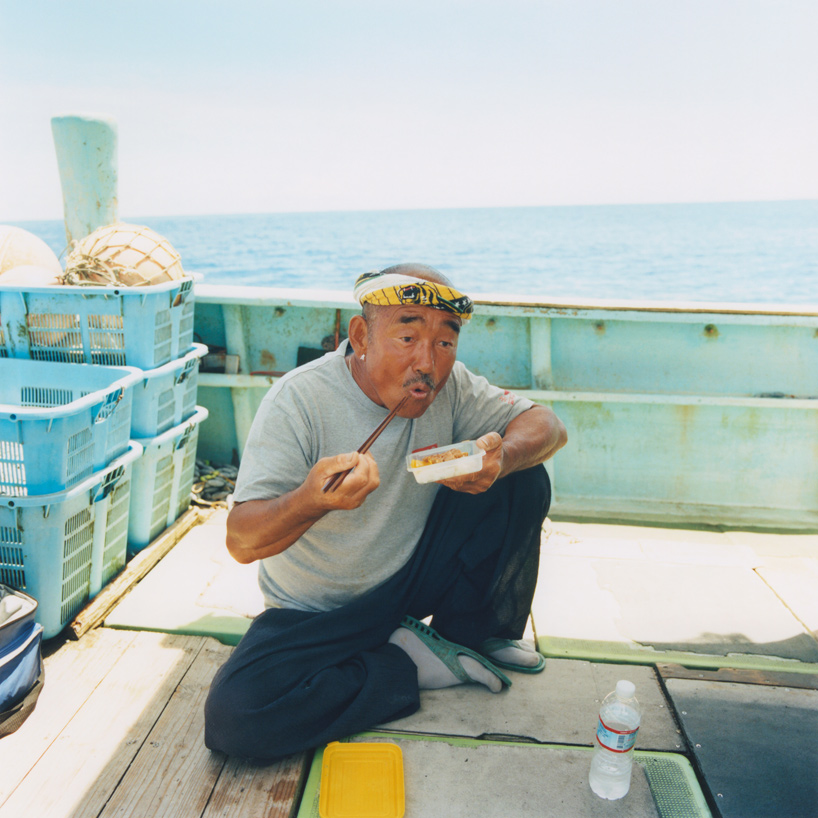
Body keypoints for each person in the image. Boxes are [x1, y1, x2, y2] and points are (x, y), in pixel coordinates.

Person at [204, 263, 567, 761]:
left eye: (445, 341)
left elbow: (547, 424)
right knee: (235, 719)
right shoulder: (298, 399)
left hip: (410, 578)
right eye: (407, 336)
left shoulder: (452, 384)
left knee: (523, 474)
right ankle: (415, 664)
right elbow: (241, 541)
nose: (428, 364)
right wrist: (309, 501)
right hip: (316, 612)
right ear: (360, 336)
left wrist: (502, 457)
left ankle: (473, 636)